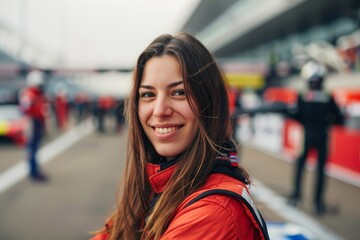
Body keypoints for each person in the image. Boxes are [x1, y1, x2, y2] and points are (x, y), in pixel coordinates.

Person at [91, 33, 269, 240]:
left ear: (208, 101)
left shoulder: (214, 212)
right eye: (148, 94)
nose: (159, 110)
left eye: (178, 92)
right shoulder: (156, 186)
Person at [288, 61, 344, 215]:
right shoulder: (328, 97)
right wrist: (328, 120)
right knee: (320, 170)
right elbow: (339, 118)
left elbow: (295, 115)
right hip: (322, 136)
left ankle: (296, 197)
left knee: (300, 167)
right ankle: (317, 203)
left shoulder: (302, 96)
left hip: (306, 135)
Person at [19, 70, 49, 181]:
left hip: (37, 122)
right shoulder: (29, 94)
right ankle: (33, 171)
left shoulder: (37, 95)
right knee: (32, 148)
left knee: (35, 148)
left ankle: (35, 169)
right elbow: (25, 109)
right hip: (33, 122)